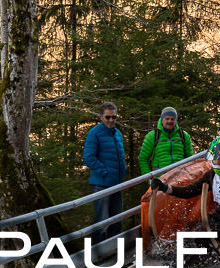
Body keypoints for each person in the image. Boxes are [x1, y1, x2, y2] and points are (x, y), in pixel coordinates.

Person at [82, 102, 127, 244]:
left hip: (117, 184)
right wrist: (104, 172)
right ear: (101, 117)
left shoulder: (117, 133)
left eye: (113, 117)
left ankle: (113, 251)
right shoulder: (95, 133)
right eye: (107, 117)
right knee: (102, 221)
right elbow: (88, 157)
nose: (111, 120)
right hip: (101, 184)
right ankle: (97, 254)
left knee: (117, 219)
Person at [138, 106, 194, 175]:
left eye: (172, 119)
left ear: (175, 120)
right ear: (162, 120)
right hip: (160, 178)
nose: (169, 121)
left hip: (180, 177)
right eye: (167, 118)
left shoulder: (184, 135)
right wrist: (149, 177)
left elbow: (191, 158)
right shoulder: (152, 136)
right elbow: (143, 159)